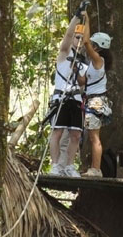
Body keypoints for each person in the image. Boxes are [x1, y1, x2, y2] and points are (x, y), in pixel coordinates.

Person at [48, 16, 89, 178]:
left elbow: (82, 83)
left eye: (81, 38)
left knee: (76, 134)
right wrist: (77, 17)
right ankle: (55, 165)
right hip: (61, 99)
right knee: (57, 132)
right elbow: (66, 37)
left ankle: (69, 166)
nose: (78, 40)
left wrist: (78, 73)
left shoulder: (83, 62)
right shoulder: (64, 54)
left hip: (76, 99)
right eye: (76, 37)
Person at [81, 27, 113, 178]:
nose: (90, 46)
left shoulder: (99, 60)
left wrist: (86, 19)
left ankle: (96, 169)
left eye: (93, 44)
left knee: (94, 137)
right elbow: (83, 81)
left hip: (96, 101)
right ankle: (94, 168)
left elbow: (85, 42)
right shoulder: (94, 65)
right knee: (92, 136)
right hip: (92, 101)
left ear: (97, 47)